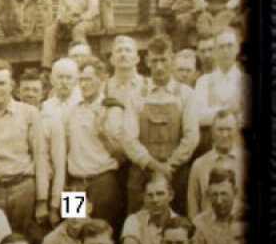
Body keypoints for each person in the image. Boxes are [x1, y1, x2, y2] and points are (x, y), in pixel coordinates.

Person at [122, 34, 199, 215]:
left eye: (163, 60)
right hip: (78, 181)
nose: (159, 67)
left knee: (175, 222)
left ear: (171, 60)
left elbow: (191, 136)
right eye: (154, 61)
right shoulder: (56, 108)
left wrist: (168, 166)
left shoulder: (185, 94)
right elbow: (127, 138)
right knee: (132, 221)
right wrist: (153, 165)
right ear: (147, 61)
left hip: (173, 172)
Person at [0, 59, 46, 235]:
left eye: (2, 83)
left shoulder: (29, 113)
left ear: (12, 85)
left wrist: (42, 200)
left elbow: (40, 157)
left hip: (22, 188)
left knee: (23, 241)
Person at [64, 58, 125, 232]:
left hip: (102, 182)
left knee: (102, 232)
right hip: (75, 184)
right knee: (74, 232)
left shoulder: (112, 109)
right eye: (80, 80)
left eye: (88, 79)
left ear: (102, 80)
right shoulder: (73, 110)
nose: (83, 85)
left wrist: (101, 131)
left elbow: (122, 155)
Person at [18, 68, 66, 231]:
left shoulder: (52, 120)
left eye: (35, 90)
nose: (30, 94)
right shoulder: (13, 117)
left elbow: (59, 165)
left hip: (51, 188)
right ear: (18, 92)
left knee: (52, 232)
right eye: (26, 89)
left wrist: (53, 205)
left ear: (43, 93)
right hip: (23, 187)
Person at [187, 110, 247, 220]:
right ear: (212, 133)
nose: (224, 135)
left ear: (236, 131)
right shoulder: (199, 165)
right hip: (208, 232)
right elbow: (193, 207)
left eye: (229, 129)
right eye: (220, 130)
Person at [120, 173, 179, 244]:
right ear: (144, 198)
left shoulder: (179, 222)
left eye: (160, 194)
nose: (155, 200)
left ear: (171, 196)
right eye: (150, 195)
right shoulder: (134, 220)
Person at [193, 28, 250, 132]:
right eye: (221, 47)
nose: (225, 51)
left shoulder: (247, 81)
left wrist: (212, 112)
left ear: (237, 48)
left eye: (229, 46)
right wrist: (229, 110)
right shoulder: (203, 81)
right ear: (215, 51)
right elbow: (198, 116)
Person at [52, 0, 99, 68]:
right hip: (68, 20)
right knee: (50, 30)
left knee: (78, 30)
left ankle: (86, 62)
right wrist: (63, 19)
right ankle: (47, 65)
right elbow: (60, 10)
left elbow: (93, 10)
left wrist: (79, 19)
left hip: (88, 21)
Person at [190, 167, 241, 244]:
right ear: (208, 194)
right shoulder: (200, 222)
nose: (219, 201)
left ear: (235, 192)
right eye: (214, 194)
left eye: (224, 194)